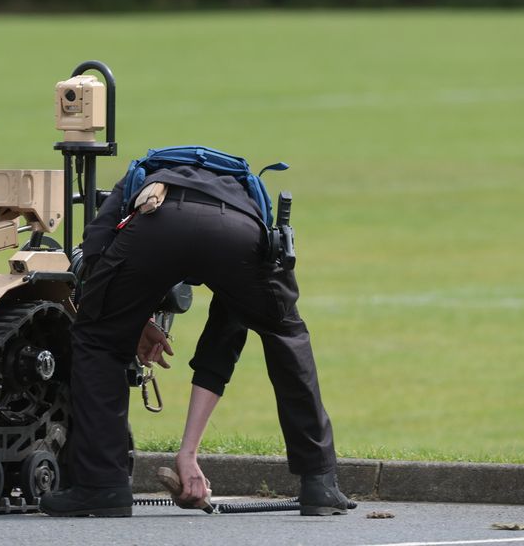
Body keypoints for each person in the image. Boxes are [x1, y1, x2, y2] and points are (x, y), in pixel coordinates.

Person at [39, 158, 350, 518]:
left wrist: (122, 318)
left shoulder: (137, 176)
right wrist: (187, 452)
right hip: (236, 233)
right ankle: (320, 483)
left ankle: (102, 487)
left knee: (97, 340)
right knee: (286, 336)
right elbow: (220, 349)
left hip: (154, 229)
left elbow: (96, 250)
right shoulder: (248, 189)